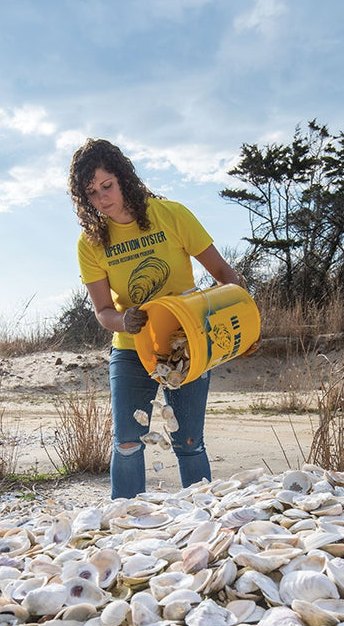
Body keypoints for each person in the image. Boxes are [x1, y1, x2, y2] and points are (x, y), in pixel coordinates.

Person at [68, 137, 244, 500]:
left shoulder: (172, 215)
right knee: (128, 442)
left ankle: (204, 518)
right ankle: (126, 525)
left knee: (189, 441)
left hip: (188, 344)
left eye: (107, 186)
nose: (102, 199)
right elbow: (103, 312)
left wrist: (238, 327)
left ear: (124, 178)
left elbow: (225, 277)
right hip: (132, 349)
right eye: (92, 193)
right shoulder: (90, 244)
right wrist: (124, 321)